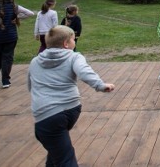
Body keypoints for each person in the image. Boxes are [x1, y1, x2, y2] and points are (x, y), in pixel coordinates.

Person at [28, 25, 115, 167]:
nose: (75, 42)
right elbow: (84, 71)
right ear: (66, 44)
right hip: (70, 110)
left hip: (47, 116)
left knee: (63, 158)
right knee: (57, 152)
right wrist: (100, 85)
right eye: (74, 39)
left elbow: (30, 86)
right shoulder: (73, 56)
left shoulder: (35, 62)